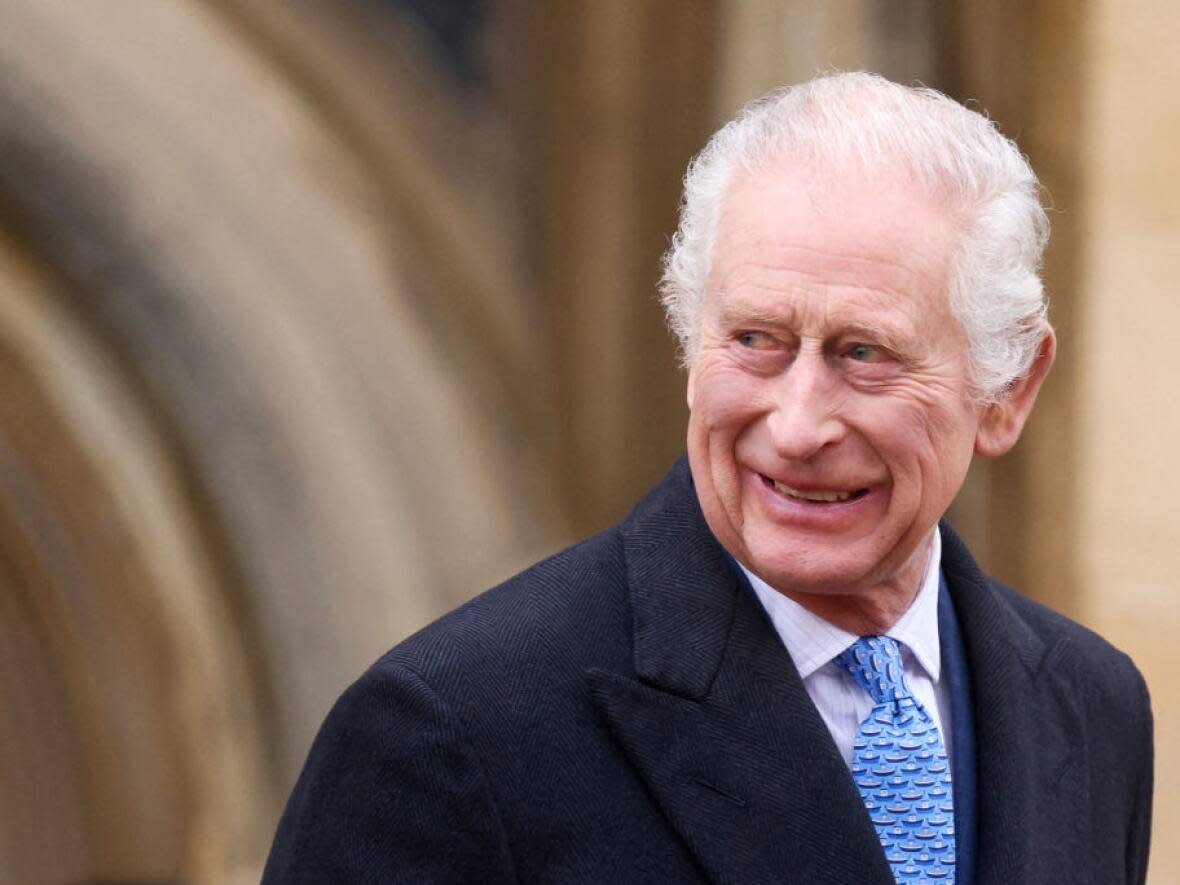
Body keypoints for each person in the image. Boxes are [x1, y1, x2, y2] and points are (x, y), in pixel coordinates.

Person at [262, 72, 1152, 884]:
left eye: (864, 353)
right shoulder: (449, 732)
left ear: (1007, 390)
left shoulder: (1092, 705)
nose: (798, 425)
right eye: (756, 340)